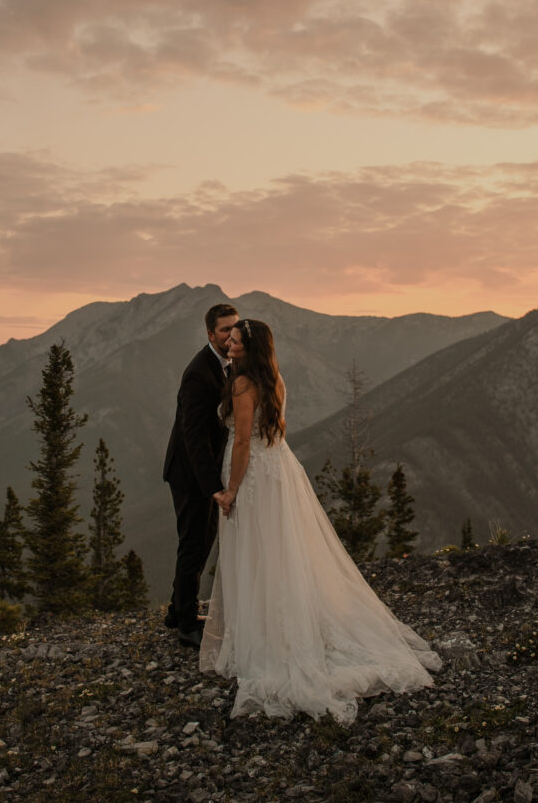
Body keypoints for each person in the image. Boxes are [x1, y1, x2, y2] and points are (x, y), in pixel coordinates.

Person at [200, 317, 439, 721]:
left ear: (250, 348)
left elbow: (242, 440)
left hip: (255, 475)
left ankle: (266, 640)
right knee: (283, 552)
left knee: (257, 554)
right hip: (279, 470)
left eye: (237, 342)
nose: (230, 346)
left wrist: (232, 490)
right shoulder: (275, 379)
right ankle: (286, 624)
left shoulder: (242, 385)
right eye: (230, 340)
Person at [162, 301, 239, 647]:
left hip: (208, 472)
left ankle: (178, 610)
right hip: (190, 474)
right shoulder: (199, 372)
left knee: (202, 543)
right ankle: (186, 624)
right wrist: (213, 488)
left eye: (233, 327)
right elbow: (193, 438)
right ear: (210, 333)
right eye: (224, 329)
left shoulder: (229, 363)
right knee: (193, 545)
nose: (230, 334)